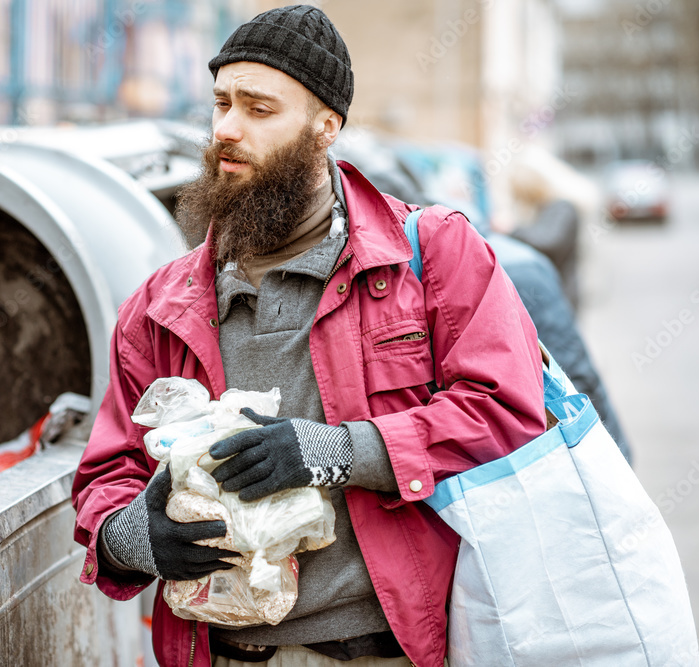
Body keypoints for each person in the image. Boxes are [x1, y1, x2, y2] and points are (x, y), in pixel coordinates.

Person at [71, 5, 546, 666]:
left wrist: (339, 449)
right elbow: (107, 472)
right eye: (221, 104)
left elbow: (507, 410)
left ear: (326, 126)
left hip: (391, 653)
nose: (227, 130)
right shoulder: (160, 304)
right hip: (227, 653)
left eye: (259, 110)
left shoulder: (431, 255)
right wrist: (131, 536)